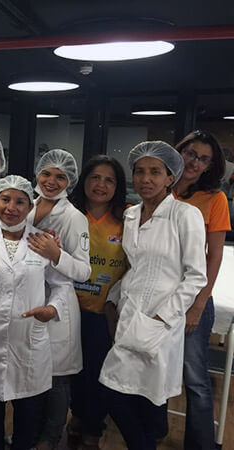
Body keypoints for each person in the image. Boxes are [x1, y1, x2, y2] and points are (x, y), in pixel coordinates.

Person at [100, 141, 207, 450]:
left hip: (162, 320)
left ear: (170, 177)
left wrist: (163, 317)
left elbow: (196, 275)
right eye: (140, 172)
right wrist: (113, 299)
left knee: (146, 395)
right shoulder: (132, 215)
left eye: (155, 172)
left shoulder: (185, 215)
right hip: (130, 313)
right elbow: (136, 266)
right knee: (118, 390)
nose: (146, 179)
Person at [0, 175, 73, 450]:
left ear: (29, 206)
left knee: (28, 413)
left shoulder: (43, 242)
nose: (11, 207)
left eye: (20, 202)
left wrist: (53, 308)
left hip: (29, 339)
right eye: (5, 199)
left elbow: (62, 284)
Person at [25, 148, 90, 450]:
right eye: (46, 173)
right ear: (37, 174)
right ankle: (29, 434)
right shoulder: (25, 205)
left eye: (60, 177)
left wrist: (56, 254)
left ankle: (50, 439)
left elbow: (84, 271)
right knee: (31, 372)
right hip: (27, 297)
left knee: (56, 379)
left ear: (70, 181)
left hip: (58, 303)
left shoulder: (74, 218)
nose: (51, 181)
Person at [173, 130, 230, 449]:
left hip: (193, 298)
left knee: (195, 379)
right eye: (190, 153)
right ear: (179, 151)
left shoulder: (214, 199)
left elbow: (214, 256)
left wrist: (198, 305)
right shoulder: (160, 189)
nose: (195, 162)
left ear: (211, 166)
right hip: (157, 295)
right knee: (155, 370)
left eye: (204, 159)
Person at [67, 156, 128, 449]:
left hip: (104, 313)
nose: (100, 185)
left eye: (109, 180)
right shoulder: (69, 214)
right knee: (72, 372)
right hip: (67, 309)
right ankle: (77, 416)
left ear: (118, 186)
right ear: (84, 181)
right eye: (95, 177)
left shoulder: (127, 221)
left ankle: (93, 427)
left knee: (98, 374)